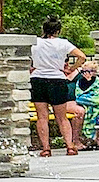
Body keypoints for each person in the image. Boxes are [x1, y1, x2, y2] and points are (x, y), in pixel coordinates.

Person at [29, 17, 85, 156]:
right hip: (57, 79)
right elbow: (82, 57)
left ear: (43, 29)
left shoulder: (35, 43)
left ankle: (46, 148)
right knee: (62, 117)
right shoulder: (63, 43)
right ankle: (70, 146)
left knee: (42, 117)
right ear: (58, 30)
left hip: (38, 79)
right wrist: (71, 69)